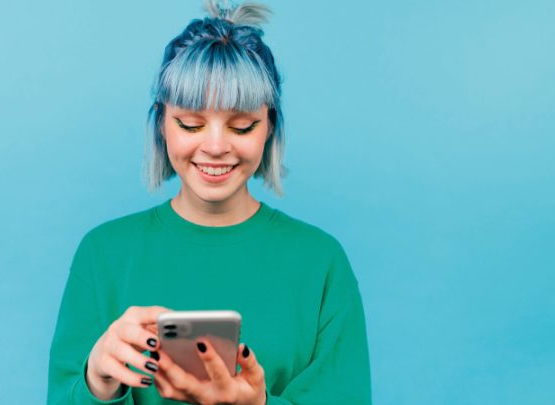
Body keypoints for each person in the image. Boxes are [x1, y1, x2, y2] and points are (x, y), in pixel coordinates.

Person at [47, 1, 371, 404]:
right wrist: (97, 380)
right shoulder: (103, 254)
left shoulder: (321, 262)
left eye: (242, 125)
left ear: (270, 126)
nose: (215, 147)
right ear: (161, 123)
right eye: (191, 124)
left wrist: (258, 403)